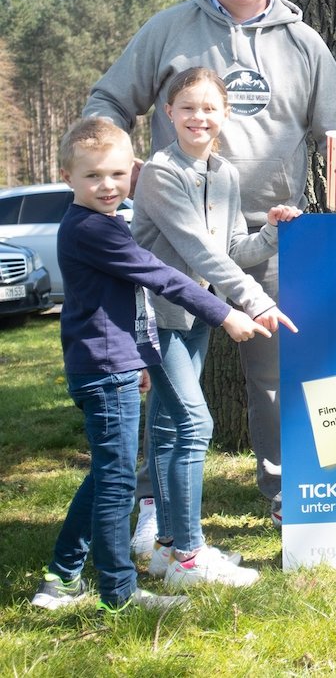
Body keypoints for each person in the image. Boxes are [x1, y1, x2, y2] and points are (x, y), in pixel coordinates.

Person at [83, 0, 336, 534]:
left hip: (273, 233)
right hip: (177, 236)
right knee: (170, 375)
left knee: (278, 375)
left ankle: (285, 494)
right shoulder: (168, 29)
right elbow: (108, 101)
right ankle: (153, 505)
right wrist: (121, 167)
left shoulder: (302, 42)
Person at [31, 118, 268, 612]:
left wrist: (139, 355)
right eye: (93, 175)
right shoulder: (93, 229)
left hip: (110, 363)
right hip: (104, 370)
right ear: (67, 176)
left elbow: (121, 300)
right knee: (117, 485)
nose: (108, 185)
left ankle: (62, 579)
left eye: (118, 174)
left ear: (132, 173)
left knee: (105, 476)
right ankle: (118, 594)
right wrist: (226, 314)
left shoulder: (99, 223)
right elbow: (161, 276)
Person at [132, 69, 302, 588]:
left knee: (168, 427)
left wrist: (270, 232)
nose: (198, 117)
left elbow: (230, 250)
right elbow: (198, 249)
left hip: (196, 316)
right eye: (187, 107)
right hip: (156, 317)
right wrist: (254, 302)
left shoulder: (224, 174)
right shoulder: (160, 173)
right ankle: (189, 556)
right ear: (168, 114)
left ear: (226, 114)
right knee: (193, 425)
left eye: (209, 108)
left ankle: (166, 549)